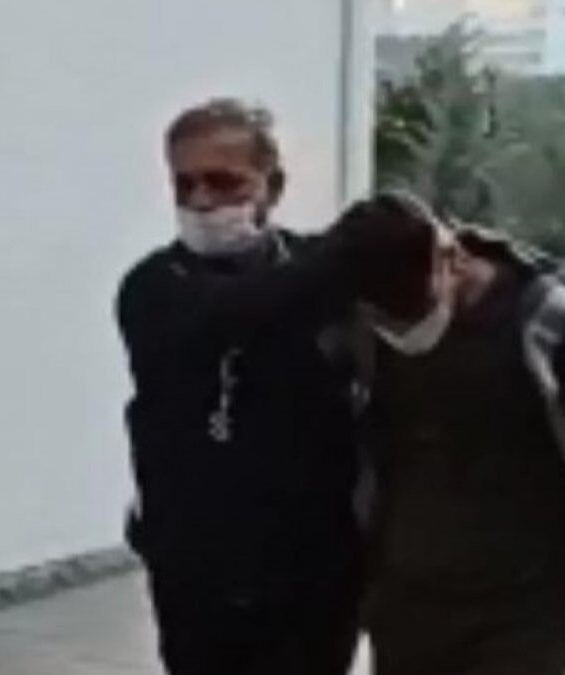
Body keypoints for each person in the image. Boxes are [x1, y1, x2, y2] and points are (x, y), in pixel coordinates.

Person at [114, 99, 384, 675]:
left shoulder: (320, 275)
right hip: (197, 570)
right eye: (184, 183)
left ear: (273, 186)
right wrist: (345, 253)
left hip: (314, 569)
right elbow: (220, 319)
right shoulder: (152, 287)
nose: (200, 200)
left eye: (223, 182)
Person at [338, 192, 565, 675]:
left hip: (522, 608)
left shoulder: (552, 324)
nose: (400, 328)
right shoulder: (369, 318)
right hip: (407, 604)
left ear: (454, 261)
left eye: (413, 309)